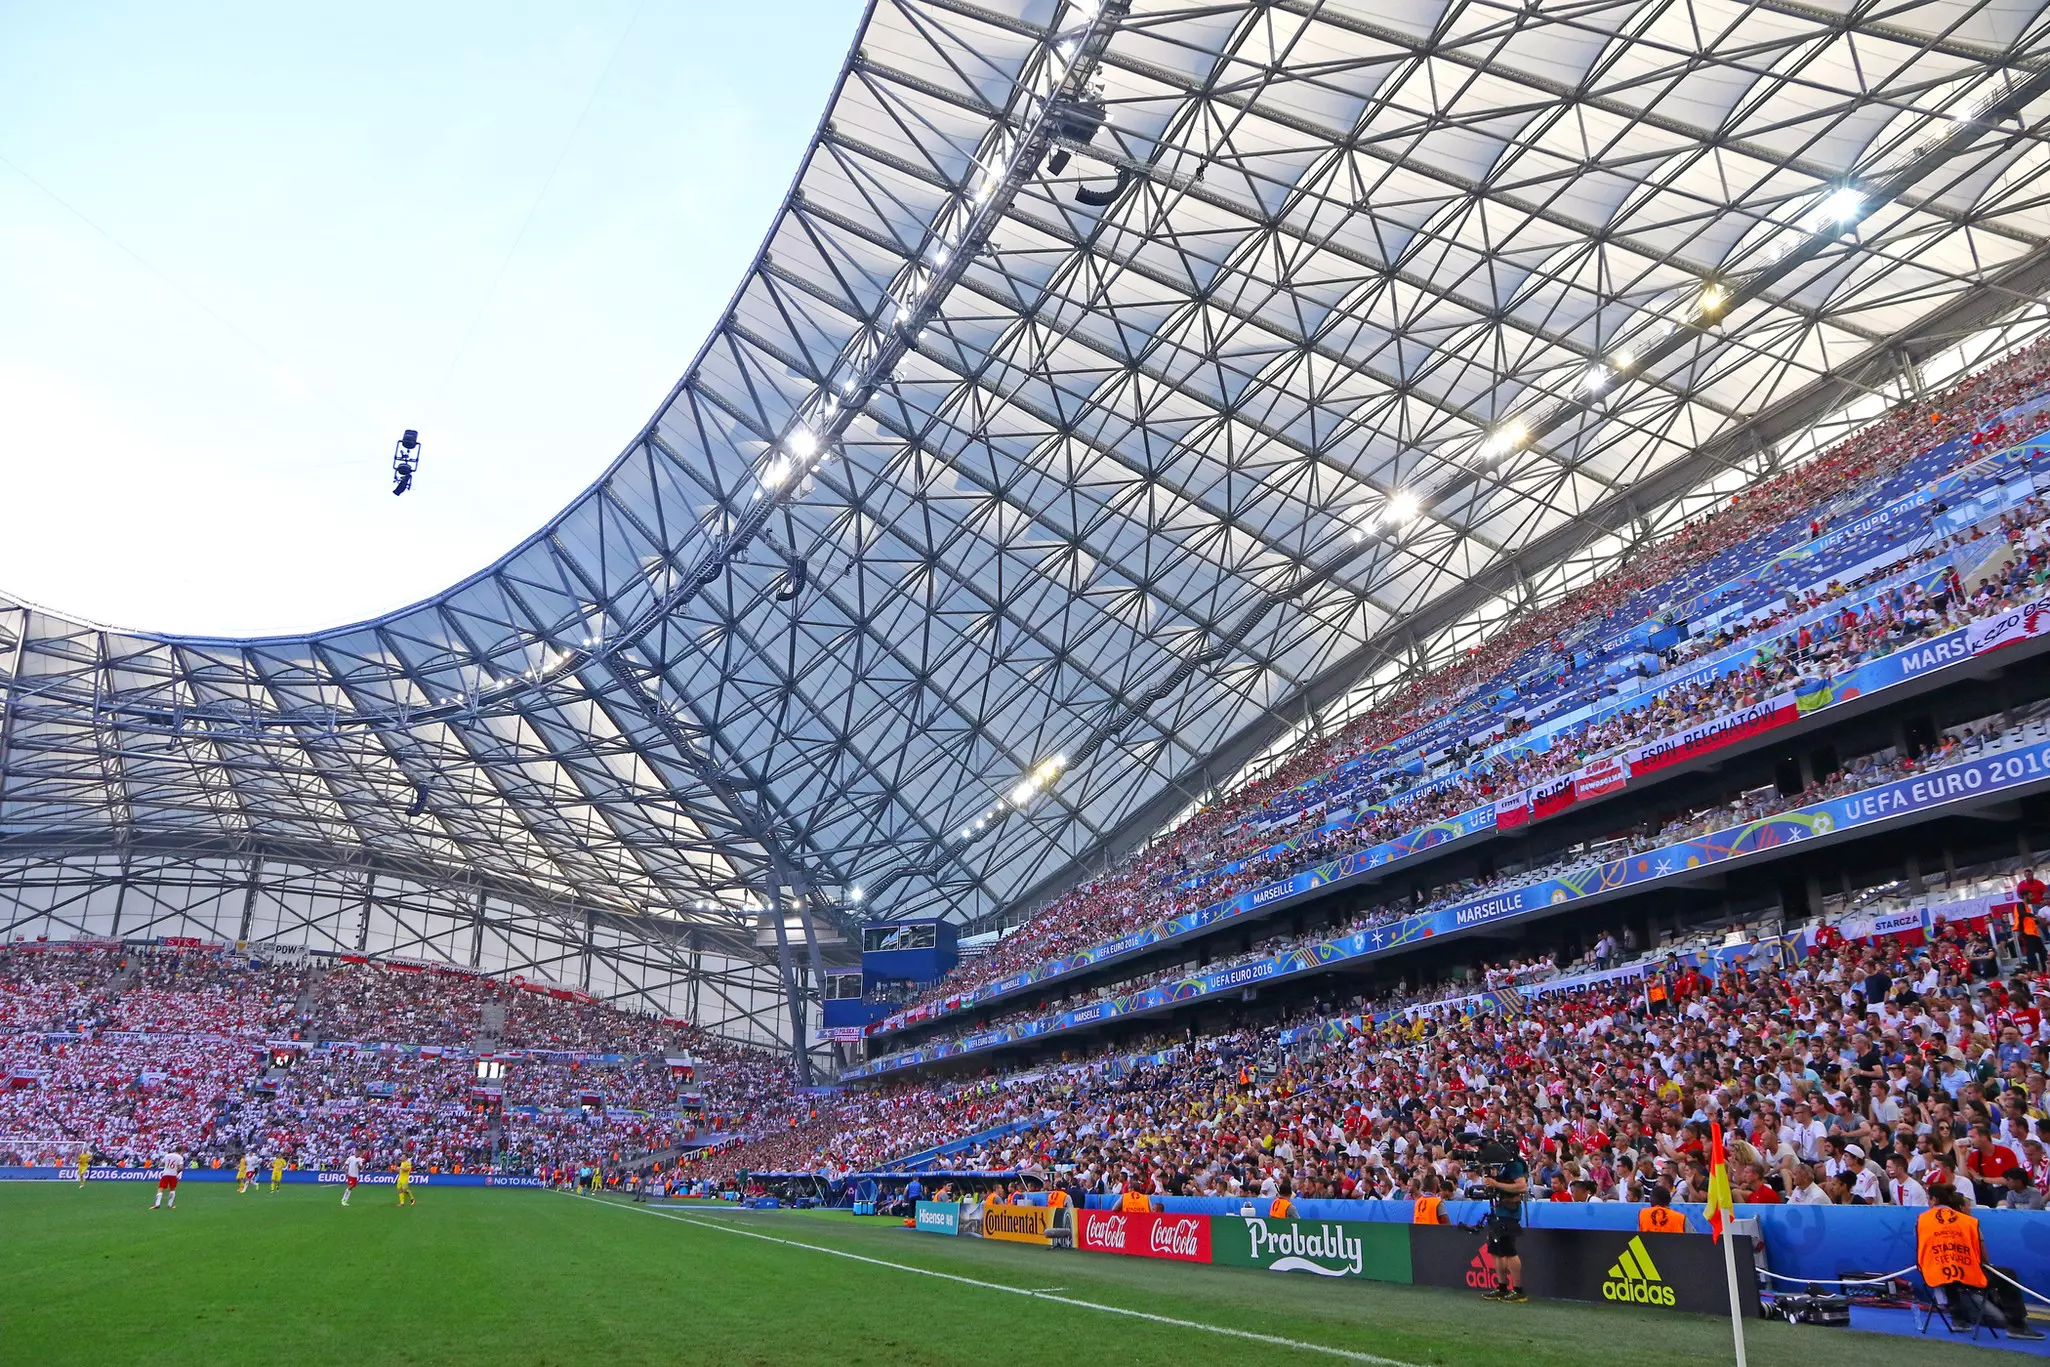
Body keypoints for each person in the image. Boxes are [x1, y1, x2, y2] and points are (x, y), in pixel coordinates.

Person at [1918, 1186, 2045, 1338]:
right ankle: (2017, 1326)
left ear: (1933, 1200)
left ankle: (1958, 1319)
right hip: (1968, 1277)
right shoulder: (1968, 1222)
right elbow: (1982, 1258)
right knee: (2008, 1275)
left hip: (1933, 1275)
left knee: (1948, 1274)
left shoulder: (1922, 1220)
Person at [1480, 1143, 1529, 1303]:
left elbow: (1522, 1186)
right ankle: (1502, 1286)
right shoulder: (1502, 1166)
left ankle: (1518, 1289)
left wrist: (1496, 1184)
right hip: (1498, 1210)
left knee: (1509, 1250)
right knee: (1497, 1250)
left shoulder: (1514, 1164)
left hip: (1509, 1212)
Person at [2014, 869, 2046, 973]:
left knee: (2042, 952)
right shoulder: (2020, 905)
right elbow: (2022, 915)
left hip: (2033, 932)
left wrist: (2036, 920)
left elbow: (2029, 919)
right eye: (2030, 895)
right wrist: (2034, 916)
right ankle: (2033, 971)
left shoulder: (2027, 907)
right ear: (2025, 896)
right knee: (2031, 953)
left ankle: (2044, 970)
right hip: (2027, 933)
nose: (2032, 897)